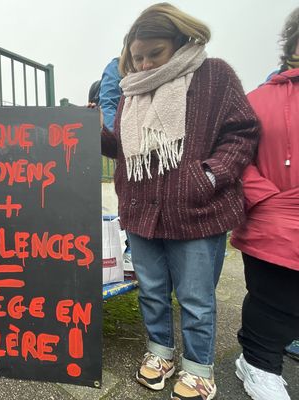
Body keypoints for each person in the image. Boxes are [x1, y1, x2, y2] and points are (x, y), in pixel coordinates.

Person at [99, 3, 259, 399]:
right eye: (137, 57)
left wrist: (209, 175)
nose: (144, 64)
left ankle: (199, 368)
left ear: (180, 43)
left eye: (155, 53)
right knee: (151, 290)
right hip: (140, 210)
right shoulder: (129, 93)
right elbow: (122, 149)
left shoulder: (214, 75)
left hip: (198, 209)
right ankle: (160, 353)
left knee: (195, 297)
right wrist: (89, 131)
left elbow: (243, 132)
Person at [230, 7, 299, 400]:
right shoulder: (257, 99)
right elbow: (234, 155)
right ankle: (259, 363)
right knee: (272, 296)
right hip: (274, 217)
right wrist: (266, 200)